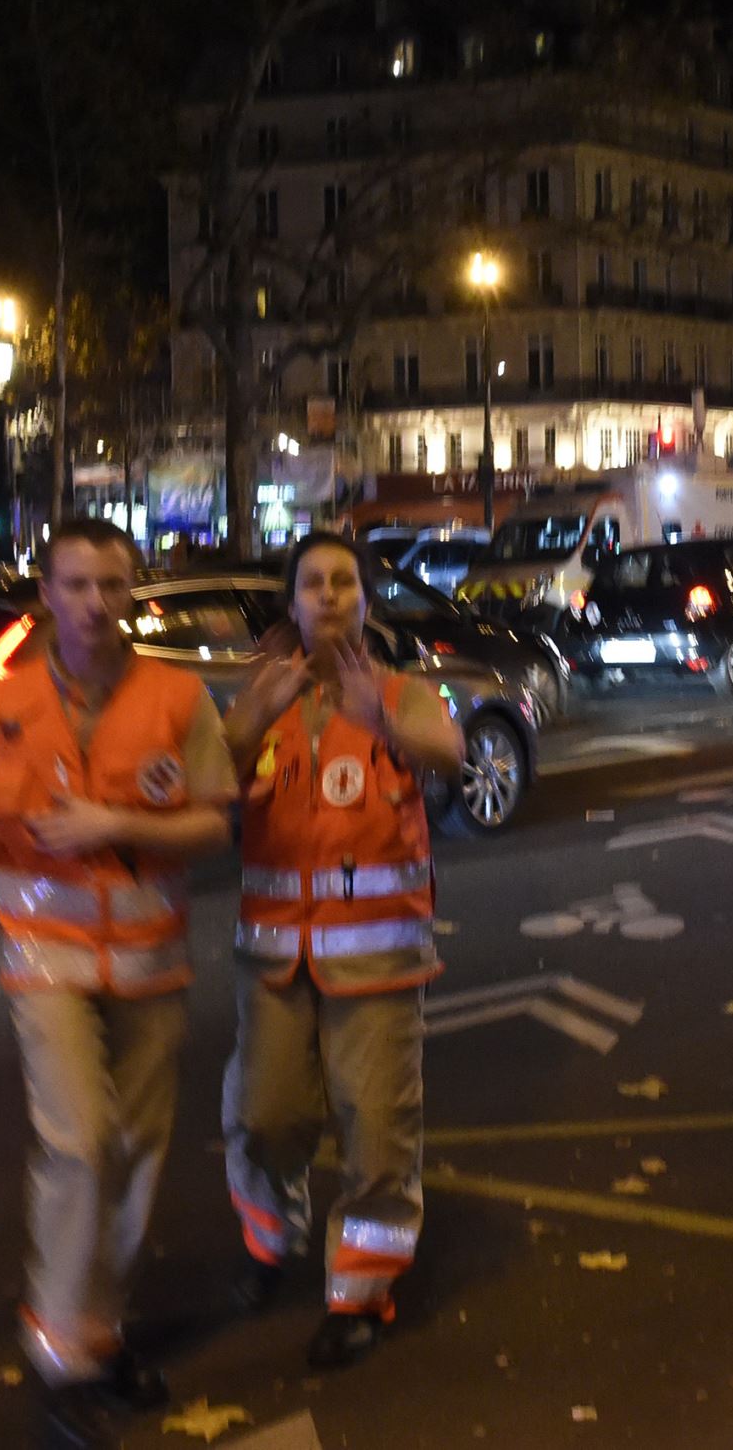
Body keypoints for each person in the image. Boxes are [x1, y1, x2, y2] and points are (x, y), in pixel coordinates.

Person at [0, 517, 236, 1443]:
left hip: (150, 960)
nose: (94, 603)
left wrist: (118, 826)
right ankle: (61, 1345)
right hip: (45, 959)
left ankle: (96, 1330)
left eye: (111, 585)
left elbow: (215, 823)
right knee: (83, 1143)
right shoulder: (1, 706)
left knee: (137, 1153)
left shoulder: (180, 699)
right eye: (75, 585)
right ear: (47, 594)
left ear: (133, 591)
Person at [218, 531, 464, 1370]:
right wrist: (248, 721)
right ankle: (266, 1236)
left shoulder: (404, 691)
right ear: (291, 602)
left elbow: (451, 753)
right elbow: (204, 786)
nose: (327, 596)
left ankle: (361, 1291)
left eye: (344, 584)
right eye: (312, 584)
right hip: (275, 957)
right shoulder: (260, 698)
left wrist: (382, 719)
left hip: (380, 960)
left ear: (366, 601)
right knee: (264, 1114)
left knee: (377, 1130)